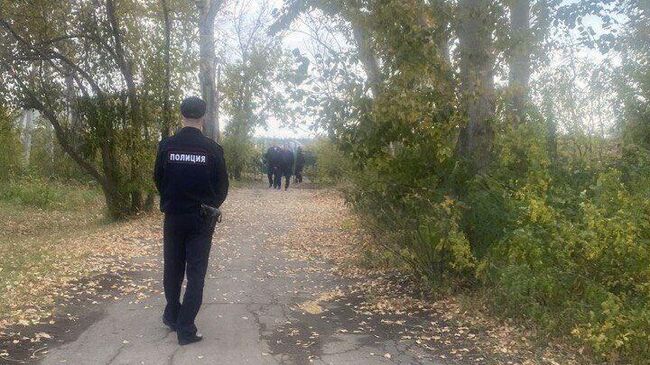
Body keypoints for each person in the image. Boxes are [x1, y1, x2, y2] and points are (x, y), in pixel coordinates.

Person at [153, 96, 228, 346]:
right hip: (201, 218)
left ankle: (172, 315)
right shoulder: (213, 149)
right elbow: (222, 187)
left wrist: (173, 198)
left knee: (172, 269)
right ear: (203, 117)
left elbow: (158, 179)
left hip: (173, 217)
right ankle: (186, 328)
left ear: (181, 115)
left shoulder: (167, 146)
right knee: (196, 274)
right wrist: (210, 204)